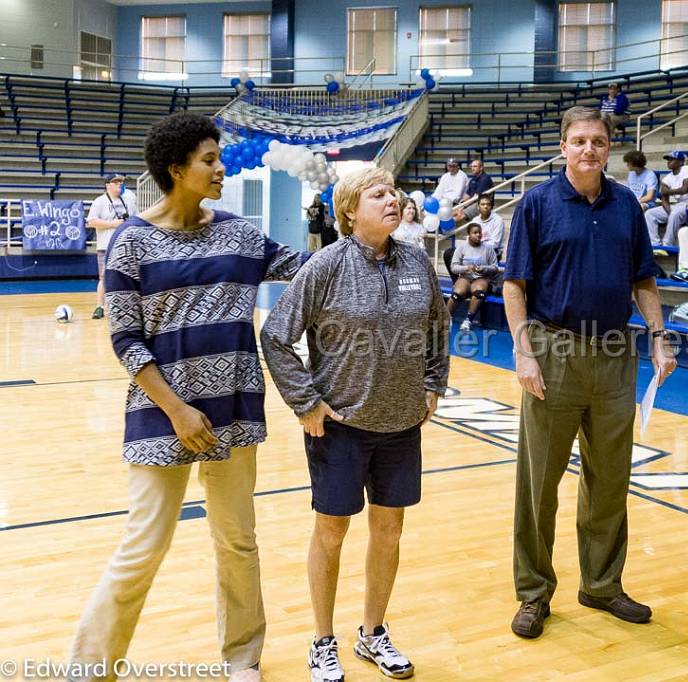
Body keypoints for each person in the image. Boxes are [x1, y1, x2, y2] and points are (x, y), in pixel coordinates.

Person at [68, 112, 305, 682]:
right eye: (209, 160)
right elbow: (125, 339)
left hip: (235, 412)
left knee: (237, 542)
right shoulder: (132, 244)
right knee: (144, 544)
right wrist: (176, 409)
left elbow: (306, 270)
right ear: (177, 169)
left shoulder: (243, 235)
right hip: (162, 416)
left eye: (219, 157)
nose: (221, 168)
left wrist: (355, 228)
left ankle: (243, 657)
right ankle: (90, 665)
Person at [260, 166, 450, 682]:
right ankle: (323, 641)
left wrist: (434, 382)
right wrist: (305, 402)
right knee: (331, 531)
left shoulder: (416, 262)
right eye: (378, 194)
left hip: (401, 424)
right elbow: (275, 336)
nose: (394, 200)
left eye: (394, 192)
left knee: (388, 531)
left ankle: (372, 633)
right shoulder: (325, 265)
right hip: (339, 425)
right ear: (349, 210)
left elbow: (438, 326)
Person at [503, 106, 676, 640]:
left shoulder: (626, 204)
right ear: (563, 146)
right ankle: (534, 593)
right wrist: (524, 352)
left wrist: (659, 335)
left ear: (608, 147)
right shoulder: (537, 204)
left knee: (609, 480)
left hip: (614, 354)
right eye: (579, 141)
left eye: (598, 141)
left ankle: (602, 584)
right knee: (540, 484)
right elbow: (515, 285)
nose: (589, 150)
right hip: (553, 350)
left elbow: (644, 279)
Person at [86, 172, 136, 320]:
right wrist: (111, 224)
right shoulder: (100, 201)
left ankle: (122, 307)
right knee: (104, 278)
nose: (120, 184)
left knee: (126, 277)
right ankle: (100, 307)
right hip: (106, 246)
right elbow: (91, 221)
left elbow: (135, 218)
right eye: (116, 182)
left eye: (121, 182)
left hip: (125, 245)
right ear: (108, 185)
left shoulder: (128, 200)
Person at [448, 222, 500, 331]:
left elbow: (495, 267)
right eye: (475, 233)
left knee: (479, 292)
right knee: (457, 293)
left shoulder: (488, 248)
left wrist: (484, 268)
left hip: (481, 278)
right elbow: (453, 267)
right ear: (469, 234)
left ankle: (468, 320)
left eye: (479, 233)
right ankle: (446, 317)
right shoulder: (462, 247)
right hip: (466, 277)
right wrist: (466, 268)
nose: (478, 235)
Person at [643, 151, 688, 246]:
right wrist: (670, 212)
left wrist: (667, 191)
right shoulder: (667, 178)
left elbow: (684, 189)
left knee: (675, 213)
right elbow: (664, 199)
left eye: (672, 159)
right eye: (668, 159)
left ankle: (667, 244)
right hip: (679, 205)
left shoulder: (687, 169)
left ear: (680, 162)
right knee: (650, 214)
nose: (668, 162)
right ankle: (655, 243)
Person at [474, 194, 506, 258]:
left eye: (488, 204)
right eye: (483, 204)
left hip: (493, 254)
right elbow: (470, 238)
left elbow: (495, 244)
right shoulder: (475, 220)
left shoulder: (498, 220)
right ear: (478, 207)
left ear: (491, 206)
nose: (485, 206)